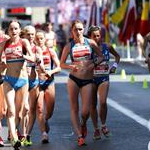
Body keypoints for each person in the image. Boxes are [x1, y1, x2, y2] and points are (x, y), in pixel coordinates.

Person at [60, 20, 104, 146]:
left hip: (87, 80)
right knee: (74, 109)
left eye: (80, 29)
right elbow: (61, 64)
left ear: (83, 30)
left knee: (85, 111)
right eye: (75, 29)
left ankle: (83, 123)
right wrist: (70, 67)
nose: (78, 32)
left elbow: (101, 56)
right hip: (74, 79)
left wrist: (92, 65)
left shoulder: (90, 42)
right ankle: (79, 136)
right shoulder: (69, 46)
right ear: (72, 31)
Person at [0, 20, 34, 149]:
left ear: (20, 30)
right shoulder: (4, 44)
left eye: (16, 29)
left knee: (20, 113)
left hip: (23, 81)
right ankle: (14, 138)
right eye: (11, 29)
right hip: (9, 80)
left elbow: (32, 58)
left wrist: (24, 56)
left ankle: (15, 133)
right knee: (11, 111)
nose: (13, 31)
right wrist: (2, 64)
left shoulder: (24, 42)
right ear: (7, 31)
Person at [87, 25, 120, 140]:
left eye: (99, 35)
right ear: (90, 37)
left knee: (103, 102)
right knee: (92, 104)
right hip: (90, 79)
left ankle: (103, 125)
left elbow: (117, 56)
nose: (97, 38)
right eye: (94, 36)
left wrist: (114, 66)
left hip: (104, 77)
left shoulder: (107, 46)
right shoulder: (88, 48)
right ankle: (96, 129)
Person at [35, 30, 61, 144]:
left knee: (49, 111)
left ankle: (46, 119)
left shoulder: (50, 51)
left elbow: (59, 67)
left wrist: (51, 72)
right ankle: (44, 134)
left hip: (49, 81)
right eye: (37, 38)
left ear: (45, 39)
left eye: (41, 38)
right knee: (39, 108)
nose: (39, 40)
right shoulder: (33, 51)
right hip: (37, 82)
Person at [21, 25, 43, 146]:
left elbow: (42, 66)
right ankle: (20, 133)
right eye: (28, 34)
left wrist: (40, 62)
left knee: (31, 110)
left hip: (34, 81)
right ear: (23, 35)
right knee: (24, 109)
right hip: (22, 81)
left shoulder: (37, 49)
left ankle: (27, 135)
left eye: (32, 34)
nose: (30, 36)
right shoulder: (18, 48)